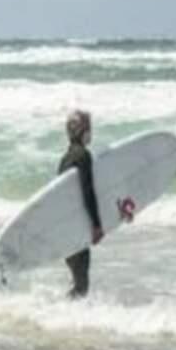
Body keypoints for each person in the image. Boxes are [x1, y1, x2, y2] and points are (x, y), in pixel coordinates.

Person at [59, 108, 104, 299]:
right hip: (76, 229)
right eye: (89, 128)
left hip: (64, 228)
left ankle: (63, 310)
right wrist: (96, 225)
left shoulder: (65, 159)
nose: (91, 133)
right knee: (82, 286)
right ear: (83, 131)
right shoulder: (83, 156)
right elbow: (87, 191)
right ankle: (60, 310)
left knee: (78, 283)